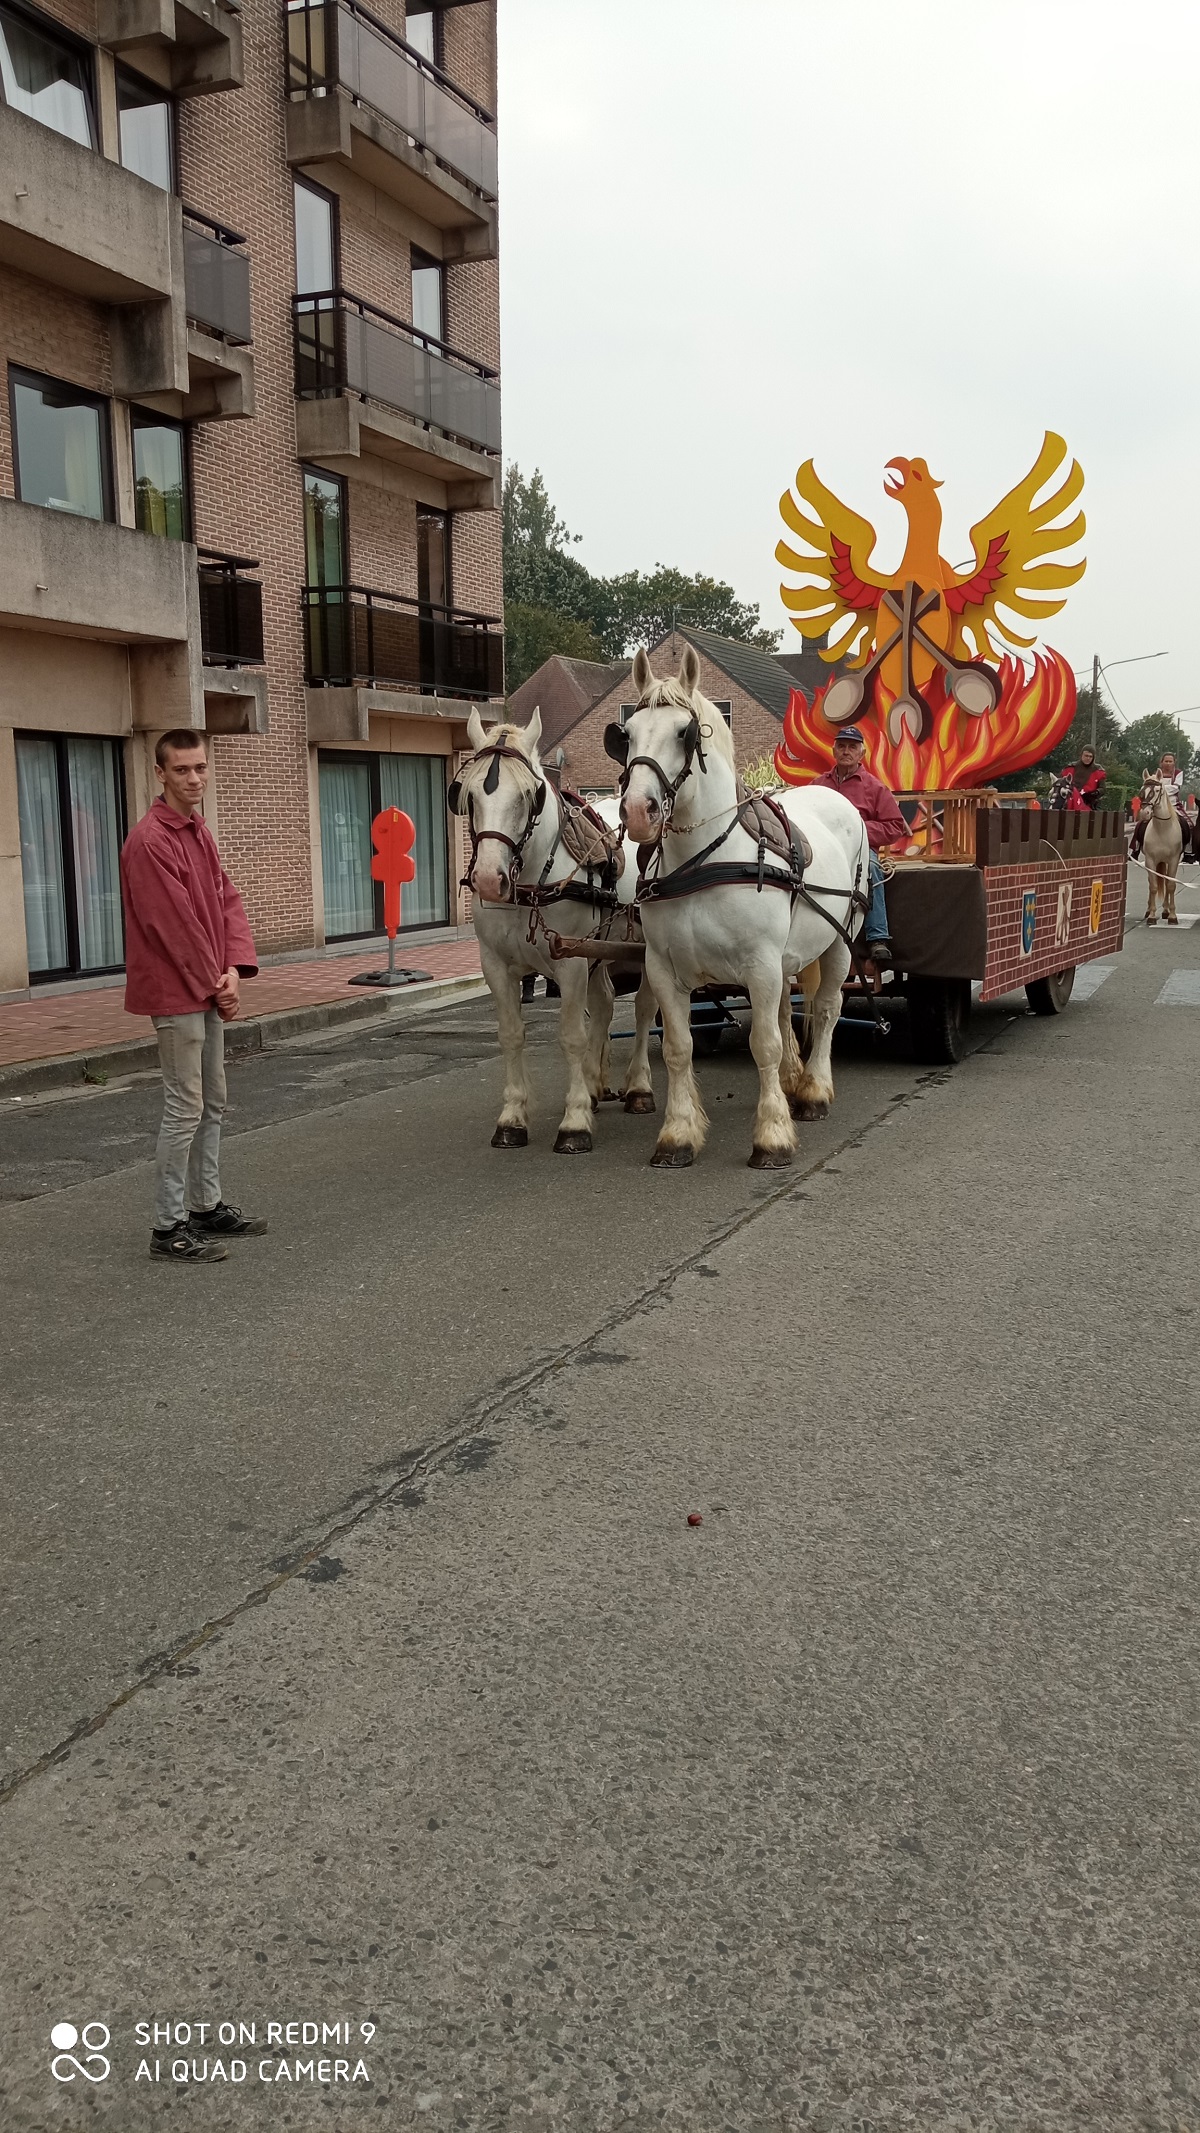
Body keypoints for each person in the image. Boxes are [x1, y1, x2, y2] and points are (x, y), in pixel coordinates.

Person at [121, 730, 266, 1262]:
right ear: (160, 773)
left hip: (206, 983)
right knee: (185, 1106)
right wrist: (219, 986)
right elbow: (173, 927)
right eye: (182, 770)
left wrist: (231, 968)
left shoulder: (197, 830)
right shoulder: (150, 840)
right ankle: (168, 1227)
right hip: (176, 989)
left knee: (213, 1102)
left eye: (200, 767)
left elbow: (225, 899)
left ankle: (206, 1207)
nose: (194, 778)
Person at [815, 726, 908, 967]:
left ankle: (878, 938)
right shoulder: (817, 785)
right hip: (822, 850)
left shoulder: (875, 787)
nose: (846, 751)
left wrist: (856, 830)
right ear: (834, 750)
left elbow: (895, 826)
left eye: (852, 747)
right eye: (842, 746)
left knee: (872, 870)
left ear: (861, 754)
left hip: (858, 849)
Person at [1129, 752, 1187, 862]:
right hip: (1156, 805)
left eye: (1171, 761)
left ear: (1174, 763)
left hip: (1174, 805)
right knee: (1140, 824)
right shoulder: (1155, 775)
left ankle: (1189, 851)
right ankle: (1135, 849)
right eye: (1166, 761)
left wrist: (1161, 788)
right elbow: (1147, 787)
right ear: (1161, 762)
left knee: (1189, 824)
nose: (1168, 763)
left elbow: (1176, 788)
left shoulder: (1178, 773)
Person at [1064, 746, 1107, 810]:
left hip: (1089, 803)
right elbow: (1061, 783)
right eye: (1086, 756)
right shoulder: (1070, 768)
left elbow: (1103, 788)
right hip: (1069, 801)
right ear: (1081, 755)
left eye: (1090, 756)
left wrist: (1096, 792)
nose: (1088, 758)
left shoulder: (1098, 771)